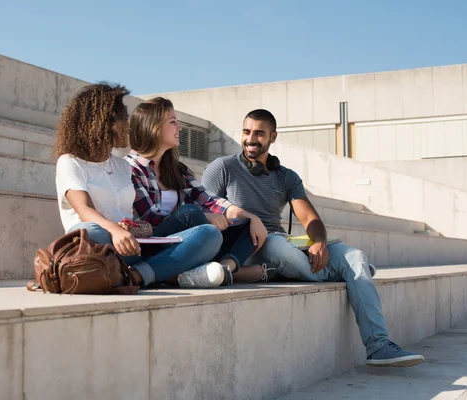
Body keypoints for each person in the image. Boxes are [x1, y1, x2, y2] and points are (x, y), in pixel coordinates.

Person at [201, 108, 425, 368]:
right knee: (279, 246)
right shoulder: (222, 168)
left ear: (273, 137)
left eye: (259, 133)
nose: (251, 139)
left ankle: (379, 345)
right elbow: (204, 208)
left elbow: (311, 219)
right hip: (248, 246)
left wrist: (318, 241)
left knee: (354, 256)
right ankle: (345, 274)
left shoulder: (286, 176)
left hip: (283, 245)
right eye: (247, 131)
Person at [53, 83, 226, 289]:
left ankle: (134, 276)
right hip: (97, 245)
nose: (128, 124)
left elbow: (130, 215)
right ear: (104, 123)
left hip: (130, 246)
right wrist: (115, 231)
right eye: (123, 118)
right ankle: (164, 273)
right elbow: (84, 209)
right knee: (91, 231)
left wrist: (136, 230)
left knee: (209, 234)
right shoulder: (70, 161)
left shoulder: (121, 165)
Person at [125, 97, 274, 285]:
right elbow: (149, 219)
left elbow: (210, 201)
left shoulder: (177, 169)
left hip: (186, 242)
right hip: (153, 244)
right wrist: (206, 217)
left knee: (246, 225)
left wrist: (251, 217)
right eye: (173, 122)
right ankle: (215, 271)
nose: (179, 127)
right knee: (191, 213)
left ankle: (225, 268)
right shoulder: (131, 168)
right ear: (153, 127)